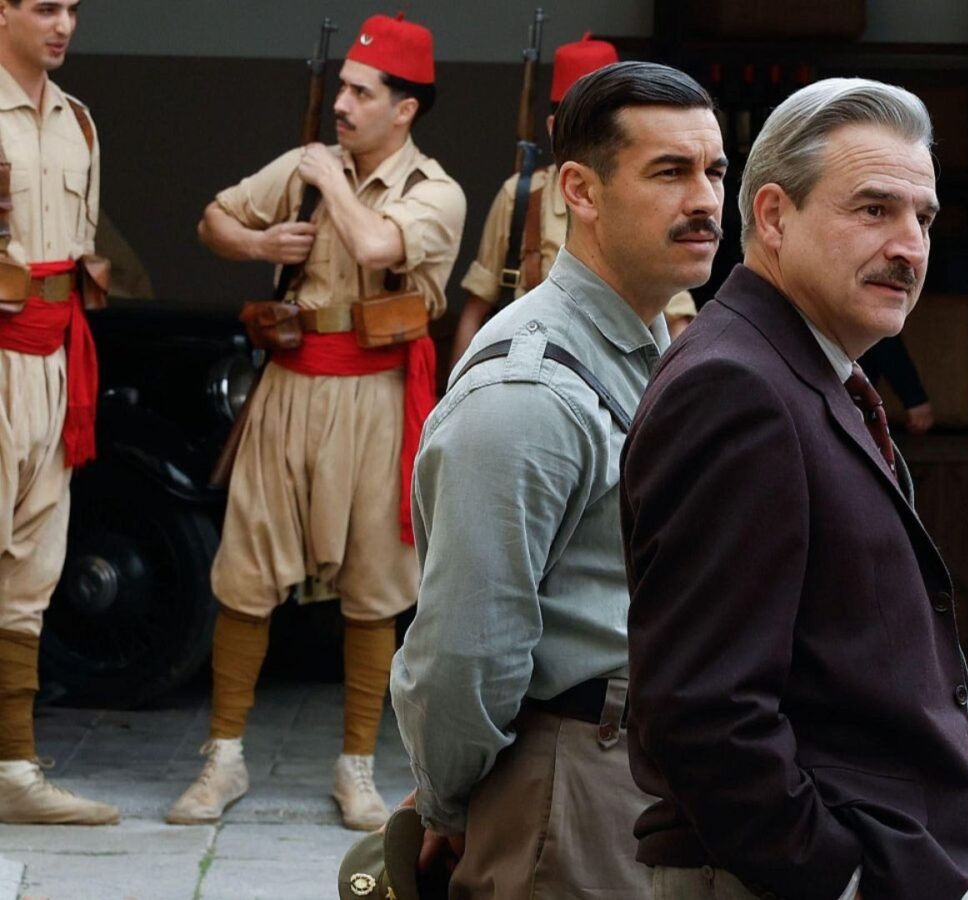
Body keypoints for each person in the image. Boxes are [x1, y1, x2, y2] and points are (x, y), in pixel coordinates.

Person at [622, 76, 968, 900]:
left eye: (922, 219)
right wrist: (840, 874)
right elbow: (703, 708)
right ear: (775, 216)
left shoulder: (801, 369)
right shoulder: (737, 388)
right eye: (873, 209)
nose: (909, 246)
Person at [390, 60, 725, 894]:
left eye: (715, 170)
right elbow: (465, 652)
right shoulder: (528, 392)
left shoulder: (645, 348)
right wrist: (449, 804)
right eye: (670, 171)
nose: (706, 201)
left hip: (636, 769)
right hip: (570, 783)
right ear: (579, 188)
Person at [168, 11, 466, 831]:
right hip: (290, 387)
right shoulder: (306, 169)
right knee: (246, 572)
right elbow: (212, 220)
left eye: (361, 93)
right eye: (340, 87)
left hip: (375, 399)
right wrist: (262, 238)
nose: (341, 104)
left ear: (404, 108)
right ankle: (222, 758)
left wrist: (332, 181)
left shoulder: (432, 191)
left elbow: (377, 249)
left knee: (374, 586)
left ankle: (356, 770)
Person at [0, 0, 118, 825]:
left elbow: (75, 254)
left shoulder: (78, 121)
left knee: (32, 571)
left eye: (73, 9)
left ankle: (14, 771)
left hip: (51, 358)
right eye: (46, 6)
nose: (65, 23)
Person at [449, 32, 699, 367]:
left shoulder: (648, 202)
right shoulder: (521, 196)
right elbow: (477, 305)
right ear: (553, 127)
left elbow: (677, 319)